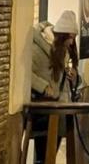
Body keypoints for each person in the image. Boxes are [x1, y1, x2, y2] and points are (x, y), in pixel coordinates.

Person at [31, 10, 81, 163]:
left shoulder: (62, 51)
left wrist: (76, 78)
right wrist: (43, 87)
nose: (72, 43)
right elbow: (25, 74)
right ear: (63, 35)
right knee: (43, 155)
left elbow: (64, 81)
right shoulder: (36, 48)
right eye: (71, 38)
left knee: (50, 154)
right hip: (42, 109)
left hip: (59, 110)